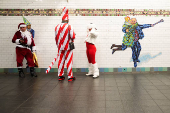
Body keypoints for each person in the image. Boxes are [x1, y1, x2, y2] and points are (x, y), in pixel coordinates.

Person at [55, 7, 76, 81]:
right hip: (68, 47)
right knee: (69, 61)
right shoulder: (69, 26)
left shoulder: (57, 27)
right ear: (68, 20)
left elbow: (56, 38)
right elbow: (73, 36)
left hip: (60, 47)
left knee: (61, 61)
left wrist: (58, 45)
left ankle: (60, 76)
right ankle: (70, 77)